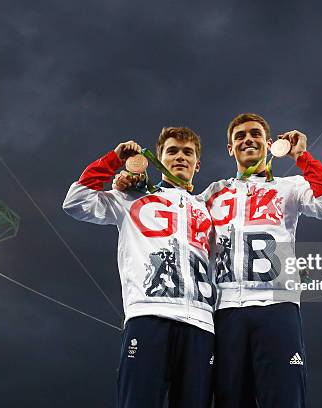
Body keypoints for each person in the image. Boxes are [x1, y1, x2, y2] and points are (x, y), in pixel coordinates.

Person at [63, 127, 216, 408]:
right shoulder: (131, 197)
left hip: (202, 325)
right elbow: (75, 203)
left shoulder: (207, 208)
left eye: (187, 152)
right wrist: (114, 160)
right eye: (172, 151)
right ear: (158, 158)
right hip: (149, 315)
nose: (180, 157)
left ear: (197, 163)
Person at [201, 113, 322, 408]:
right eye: (239, 136)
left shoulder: (289, 186)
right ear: (230, 148)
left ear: (269, 144)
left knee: (283, 399)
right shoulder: (213, 193)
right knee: (230, 400)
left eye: (254, 134)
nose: (247, 139)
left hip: (277, 306)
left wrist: (302, 156)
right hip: (227, 310)